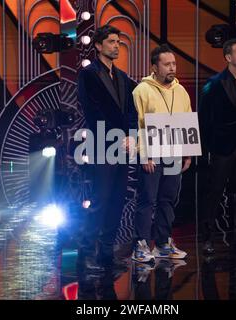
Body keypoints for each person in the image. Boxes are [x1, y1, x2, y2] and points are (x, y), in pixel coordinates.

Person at [77, 25, 138, 272]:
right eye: (111, 41)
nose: (116, 46)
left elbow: (131, 110)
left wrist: (131, 136)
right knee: (100, 199)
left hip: (122, 145)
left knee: (117, 199)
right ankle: (86, 252)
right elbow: (92, 111)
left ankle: (106, 252)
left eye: (118, 41)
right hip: (102, 143)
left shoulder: (122, 77)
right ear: (99, 45)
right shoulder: (89, 74)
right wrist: (117, 136)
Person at [131, 44, 192, 264]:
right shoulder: (142, 90)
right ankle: (141, 245)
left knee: (168, 199)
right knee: (148, 199)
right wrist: (144, 155)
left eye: (174, 64)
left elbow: (186, 122)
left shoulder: (181, 91)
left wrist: (187, 152)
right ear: (154, 67)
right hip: (152, 154)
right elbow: (136, 125)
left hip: (173, 152)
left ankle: (163, 243)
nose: (172, 68)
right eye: (167, 64)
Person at [198, 38, 236, 254]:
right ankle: (207, 239)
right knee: (214, 194)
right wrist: (204, 150)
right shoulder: (214, 83)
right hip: (222, 146)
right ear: (228, 57)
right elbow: (203, 119)